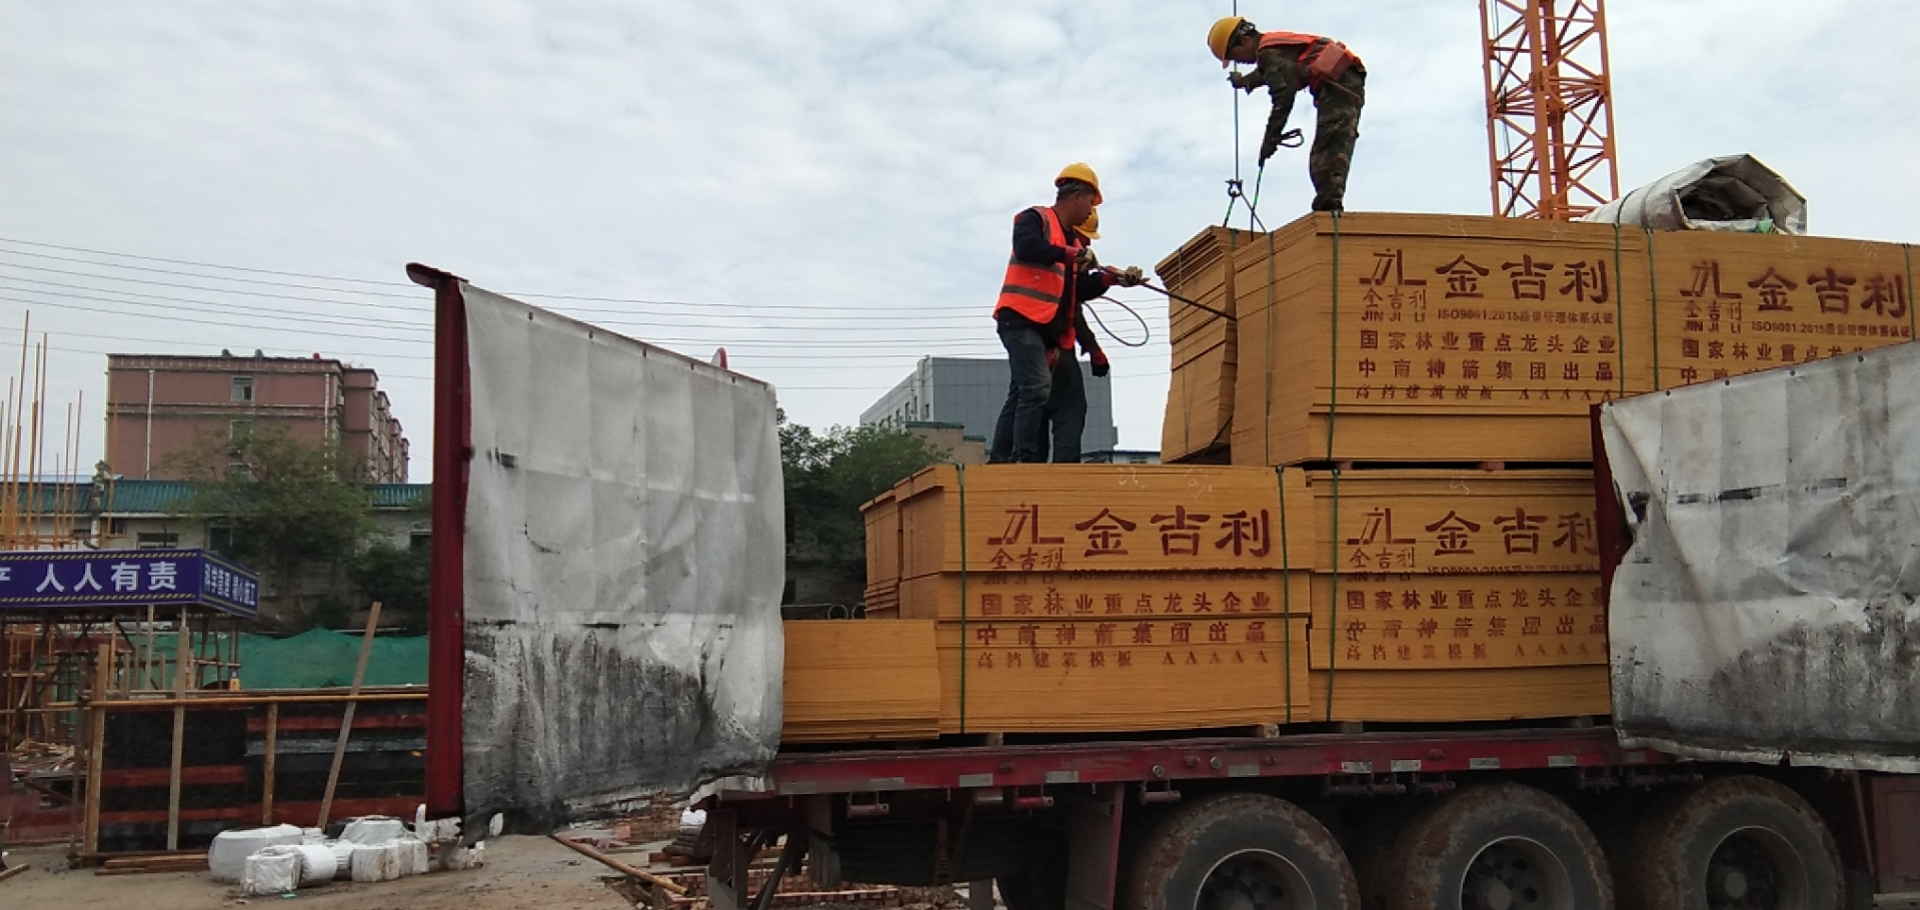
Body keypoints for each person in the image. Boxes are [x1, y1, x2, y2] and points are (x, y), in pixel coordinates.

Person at [988, 164, 1103, 464]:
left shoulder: (1072, 242)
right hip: (1019, 318)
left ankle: (1000, 460)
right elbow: (1026, 247)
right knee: (1037, 387)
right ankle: (1023, 459)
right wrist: (1069, 255)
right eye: (1090, 202)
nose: (1090, 211)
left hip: (1043, 329)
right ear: (1077, 197)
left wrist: (1109, 279)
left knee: (1023, 391)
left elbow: (1075, 292)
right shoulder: (1035, 218)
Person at [1208, 16, 1366, 213]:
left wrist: (1270, 139)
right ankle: (1328, 208)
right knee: (1327, 146)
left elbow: (1283, 98)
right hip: (1341, 83)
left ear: (1245, 40)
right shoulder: (1272, 49)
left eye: (1235, 56)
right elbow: (1271, 72)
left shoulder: (1269, 52)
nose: (1239, 62)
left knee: (1328, 149)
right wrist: (1244, 81)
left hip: (1342, 86)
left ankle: (1329, 211)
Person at [1039, 209, 1142, 463]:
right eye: (1086, 238)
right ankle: (1064, 471)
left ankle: (1030, 466)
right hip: (1054, 346)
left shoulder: (1050, 258)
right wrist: (1096, 352)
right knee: (1069, 410)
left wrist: (1111, 278)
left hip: (1031, 344)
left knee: (1032, 407)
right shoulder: (1065, 258)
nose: (1087, 244)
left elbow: (1082, 290)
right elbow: (1073, 310)